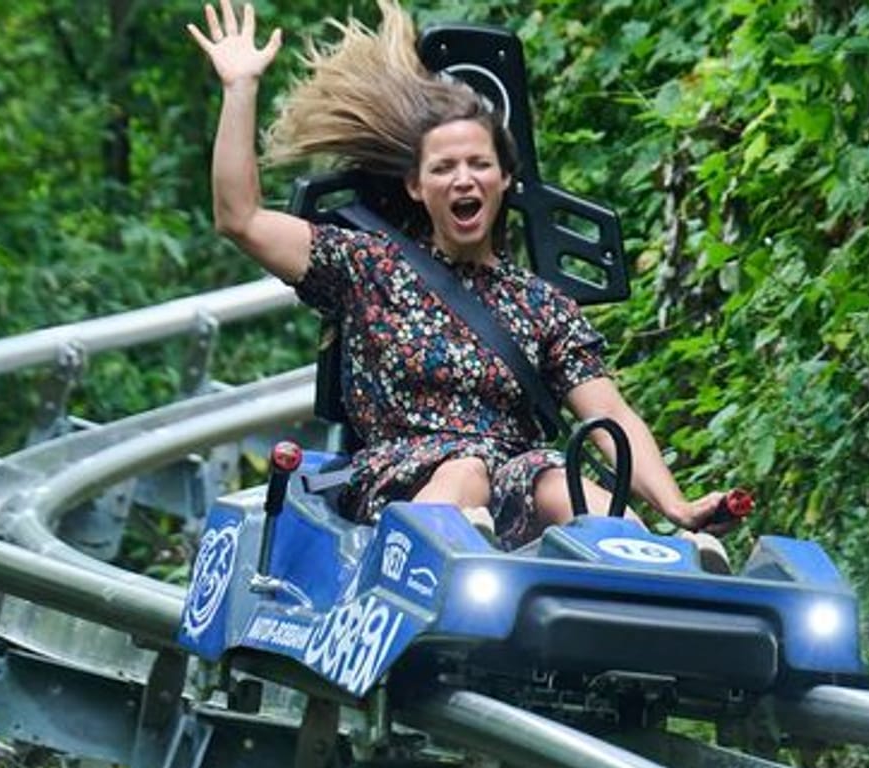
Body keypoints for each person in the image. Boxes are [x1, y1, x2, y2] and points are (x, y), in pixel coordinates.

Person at [186, 0, 741, 559]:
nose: (462, 180)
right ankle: (439, 557)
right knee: (468, 469)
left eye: (477, 164)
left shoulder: (541, 305)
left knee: (560, 483)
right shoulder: (369, 266)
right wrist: (240, 88)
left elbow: (609, 415)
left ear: (503, 178)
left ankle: (655, 567)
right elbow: (241, 219)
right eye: (443, 168)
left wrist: (676, 505)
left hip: (518, 476)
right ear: (415, 186)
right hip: (407, 475)